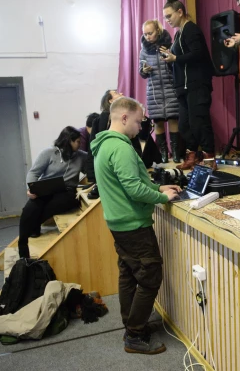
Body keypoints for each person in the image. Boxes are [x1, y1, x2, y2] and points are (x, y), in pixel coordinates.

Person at [90, 97, 180, 355]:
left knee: (129, 274)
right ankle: (135, 334)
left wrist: (158, 187)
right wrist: (163, 197)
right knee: (151, 276)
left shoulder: (104, 144)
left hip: (119, 223)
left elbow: (132, 182)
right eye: (139, 121)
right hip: (133, 225)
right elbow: (132, 188)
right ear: (124, 117)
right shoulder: (120, 148)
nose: (141, 127)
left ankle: (131, 324)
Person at [161, 0, 216, 170]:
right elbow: (181, 59)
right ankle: (192, 155)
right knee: (185, 125)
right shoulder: (178, 34)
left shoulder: (191, 29)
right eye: (165, 18)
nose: (167, 21)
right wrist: (170, 56)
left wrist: (175, 57)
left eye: (169, 16)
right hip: (183, 88)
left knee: (199, 122)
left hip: (197, 85)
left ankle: (209, 159)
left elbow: (199, 54)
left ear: (180, 11)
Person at [19, 126, 87, 259]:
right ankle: (22, 245)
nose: (80, 144)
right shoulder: (49, 153)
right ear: (69, 141)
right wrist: (31, 189)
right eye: (77, 141)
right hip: (47, 188)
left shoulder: (82, 156)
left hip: (67, 191)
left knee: (52, 206)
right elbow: (34, 172)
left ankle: (34, 226)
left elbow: (90, 171)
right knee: (30, 207)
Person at [139, 19, 180, 163]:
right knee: (158, 122)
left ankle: (175, 152)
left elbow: (177, 65)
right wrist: (144, 70)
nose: (147, 36)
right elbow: (141, 72)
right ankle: (163, 153)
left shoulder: (170, 44)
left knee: (173, 118)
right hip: (154, 91)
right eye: (145, 34)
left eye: (150, 33)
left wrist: (170, 59)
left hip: (170, 87)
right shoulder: (144, 50)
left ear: (158, 30)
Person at [85, 90, 124, 199]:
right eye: (116, 93)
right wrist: (93, 178)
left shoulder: (127, 117)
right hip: (105, 167)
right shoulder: (98, 121)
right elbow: (92, 149)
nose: (121, 94)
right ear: (110, 100)